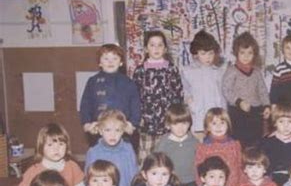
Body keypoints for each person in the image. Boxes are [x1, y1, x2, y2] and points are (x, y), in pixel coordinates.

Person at [133, 30, 184, 162]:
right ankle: (144, 181)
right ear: (146, 49)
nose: (156, 48)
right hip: (146, 123)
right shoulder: (140, 70)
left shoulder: (171, 69)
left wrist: (175, 118)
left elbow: (178, 95)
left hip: (167, 122)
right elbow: (135, 97)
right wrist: (138, 118)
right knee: (146, 157)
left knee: (167, 156)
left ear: (165, 49)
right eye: (152, 45)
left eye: (160, 45)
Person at [80, 43, 140, 147]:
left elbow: (135, 105)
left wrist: (132, 124)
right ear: (99, 62)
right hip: (99, 130)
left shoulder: (128, 82)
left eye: (115, 58)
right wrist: (87, 124)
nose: (110, 62)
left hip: (123, 130)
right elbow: (85, 104)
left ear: (121, 62)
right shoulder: (92, 82)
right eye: (106, 58)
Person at [18, 123, 85, 186]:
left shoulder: (72, 166)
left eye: (61, 144)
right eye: (50, 145)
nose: (56, 149)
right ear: (41, 147)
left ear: (67, 146)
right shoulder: (33, 170)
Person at [222, 32, 270, 148]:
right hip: (237, 113)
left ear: (254, 54)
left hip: (255, 113)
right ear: (236, 53)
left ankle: (254, 164)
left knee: (256, 143)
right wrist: (239, 102)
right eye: (242, 53)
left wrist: (267, 106)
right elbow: (226, 90)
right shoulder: (231, 71)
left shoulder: (257, 72)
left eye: (250, 53)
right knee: (239, 143)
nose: (246, 56)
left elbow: (262, 90)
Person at [181, 30, 226, 141]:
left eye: (210, 53)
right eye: (203, 54)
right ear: (196, 53)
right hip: (197, 119)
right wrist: (190, 103)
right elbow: (185, 92)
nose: (207, 57)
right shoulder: (187, 71)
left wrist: (224, 115)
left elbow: (222, 96)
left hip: (216, 121)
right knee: (199, 150)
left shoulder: (219, 71)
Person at [85, 109, 138, 186]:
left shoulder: (128, 149)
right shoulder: (93, 152)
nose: (112, 135)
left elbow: (134, 176)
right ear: (100, 131)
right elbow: (88, 179)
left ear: (122, 131)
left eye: (117, 130)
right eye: (108, 130)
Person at [155, 104, 199, 186]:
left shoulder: (194, 141)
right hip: (172, 182)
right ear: (168, 125)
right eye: (175, 124)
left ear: (189, 124)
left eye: (184, 123)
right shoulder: (164, 142)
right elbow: (157, 163)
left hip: (191, 181)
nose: (180, 128)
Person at [194, 107, 242, 186]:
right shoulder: (203, 147)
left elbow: (240, 166)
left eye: (222, 123)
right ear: (208, 127)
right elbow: (198, 169)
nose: (218, 126)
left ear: (228, 125)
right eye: (214, 123)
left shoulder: (234, 145)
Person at [261, 103, 291, 186]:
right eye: (281, 121)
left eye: (290, 121)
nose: (286, 125)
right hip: (272, 181)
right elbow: (263, 165)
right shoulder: (267, 142)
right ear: (275, 123)